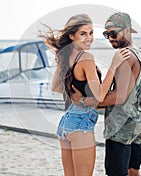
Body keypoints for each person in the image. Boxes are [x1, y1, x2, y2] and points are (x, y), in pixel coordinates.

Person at [40, 14, 130, 176]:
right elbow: (100, 95)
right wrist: (114, 65)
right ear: (71, 35)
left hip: (66, 123)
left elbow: (55, 87)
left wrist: (78, 98)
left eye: (91, 33)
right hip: (81, 123)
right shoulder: (86, 58)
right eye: (83, 34)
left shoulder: (65, 56)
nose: (89, 38)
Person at [72, 12, 141, 176]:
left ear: (127, 30)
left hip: (122, 125)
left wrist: (84, 101)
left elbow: (118, 97)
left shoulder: (125, 57)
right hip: (138, 121)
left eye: (113, 33)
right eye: (106, 34)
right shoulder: (140, 53)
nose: (110, 38)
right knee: (133, 171)